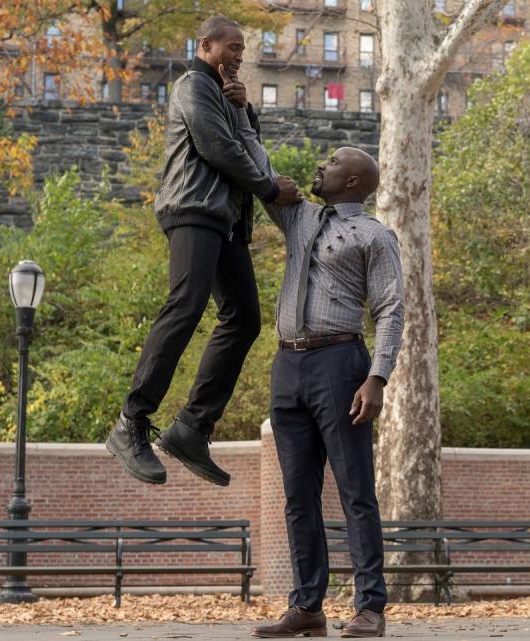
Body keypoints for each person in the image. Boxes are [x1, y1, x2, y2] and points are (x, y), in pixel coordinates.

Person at [228, 85, 403, 638]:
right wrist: (241, 110)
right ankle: (307, 605)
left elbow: (392, 310)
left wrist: (377, 377)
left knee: (356, 491)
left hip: (341, 364)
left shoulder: (374, 234)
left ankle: (370, 607)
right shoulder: (299, 218)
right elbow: (260, 170)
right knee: (297, 495)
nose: (320, 166)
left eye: (332, 162)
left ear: (353, 180)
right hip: (288, 367)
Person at [105, 15, 299, 488]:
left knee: (245, 319)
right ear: (205, 45)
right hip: (192, 208)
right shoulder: (193, 84)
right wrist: (271, 189)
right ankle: (131, 422)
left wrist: (246, 110)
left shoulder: (223, 93)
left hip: (225, 218)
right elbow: (218, 150)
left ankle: (192, 428)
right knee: (186, 304)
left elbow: (242, 144)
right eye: (231, 47)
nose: (239, 55)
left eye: (242, 48)